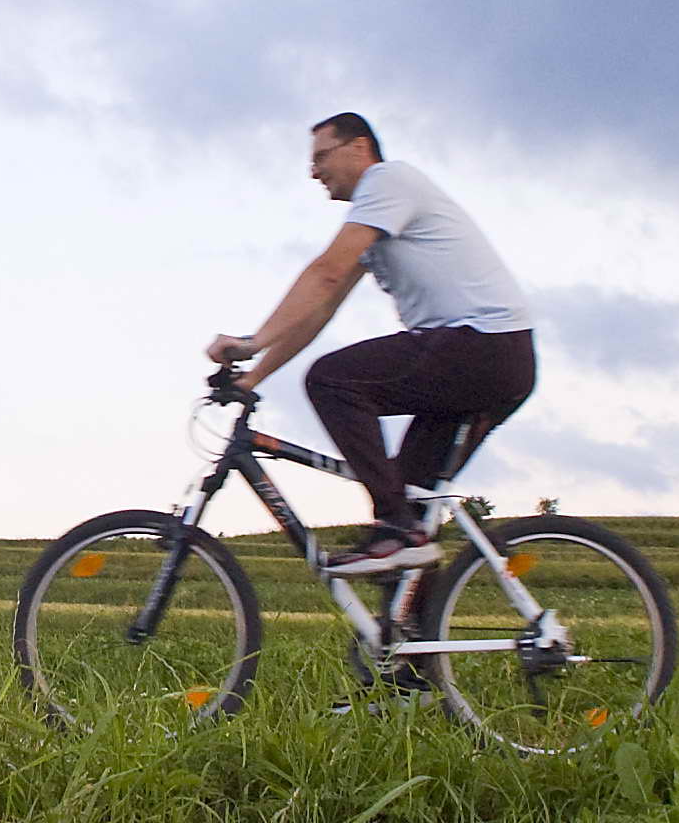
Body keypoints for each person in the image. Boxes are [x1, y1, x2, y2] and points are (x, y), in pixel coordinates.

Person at [206, 112, 537, 576]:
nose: (313, 171)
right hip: (489, 358)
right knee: (411, 505)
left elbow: (326, 273)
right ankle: (410, 641)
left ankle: (396, 529)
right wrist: (254, 375)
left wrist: (252, 340)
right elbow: (320, 310)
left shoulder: (388, 181)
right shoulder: (376, 217)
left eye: (322, 156)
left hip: (482, 346)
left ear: (360, 148)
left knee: (333, 380)